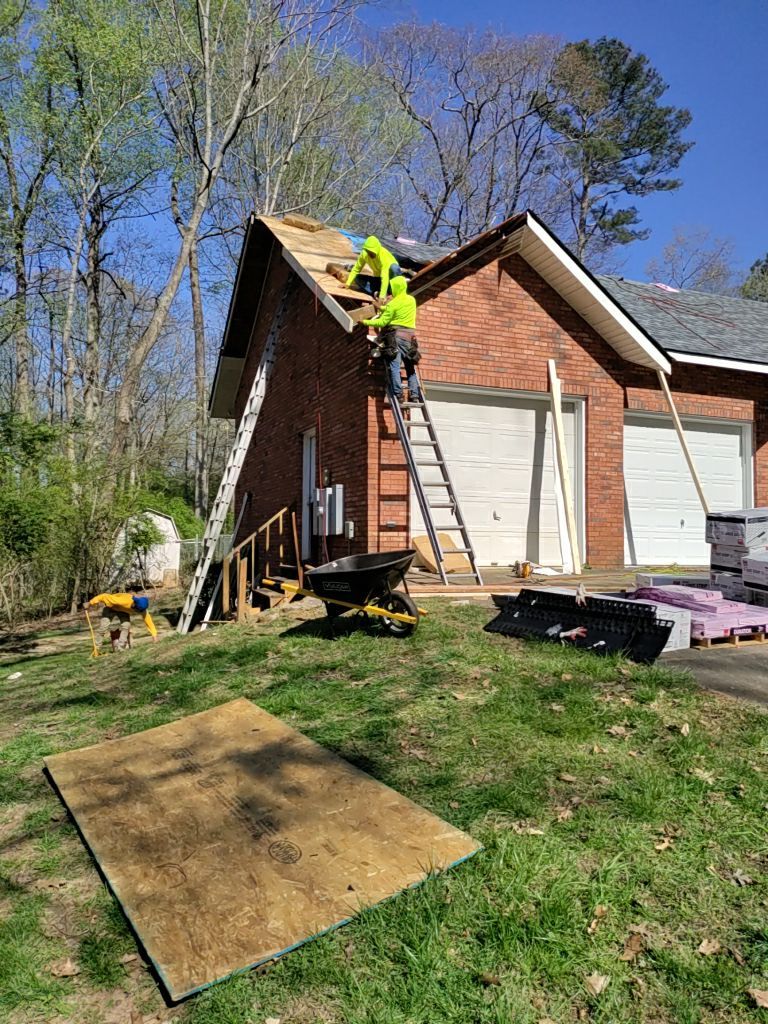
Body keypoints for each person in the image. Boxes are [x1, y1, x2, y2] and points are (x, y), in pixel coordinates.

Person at [362, 275, 422, 405]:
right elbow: (396, 308)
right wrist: (382, 307)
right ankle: (414, 395)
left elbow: (382, 322)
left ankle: (399, 395)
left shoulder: (393, 304)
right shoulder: (411, 300)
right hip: (410, 337)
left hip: (396, 337)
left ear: (395, 288)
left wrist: (365, 322)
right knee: (410, 368)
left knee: (394, 366)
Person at [87, 592, 158, 650]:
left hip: (123, 611)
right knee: (103, 628)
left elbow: (149, 622)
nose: (136, 612)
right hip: (111, 608)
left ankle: (120, 647)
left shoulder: (142, 609)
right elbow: (104, 596)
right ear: (134, 604)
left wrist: (154, 636)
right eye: (136, 610)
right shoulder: (124, 601)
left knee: (126, 625)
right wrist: (90, 603)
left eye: (139, 611)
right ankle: (96, 649)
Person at [346, 236, 402, 300]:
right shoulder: (364, 254)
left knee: (394, 268)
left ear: (377, 250)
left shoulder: (383, 256)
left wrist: (382, 296)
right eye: (368, 251)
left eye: (372, 252)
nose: (370, 254)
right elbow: (356, 269)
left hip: (390, 280)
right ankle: (377, 293)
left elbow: (385, 277)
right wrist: (347, 284)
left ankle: (393, 293)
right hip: (379, 279)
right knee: (357, 278)